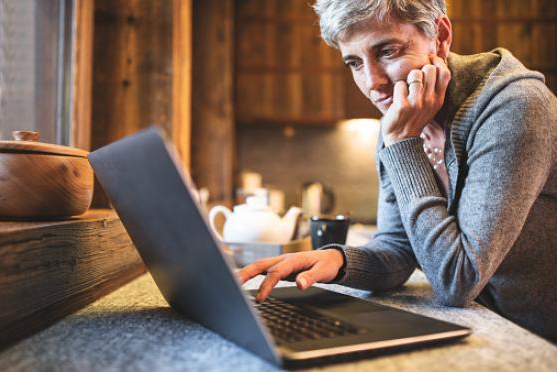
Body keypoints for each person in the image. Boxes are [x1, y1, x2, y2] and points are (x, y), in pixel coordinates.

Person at [238, 0, 557, 342]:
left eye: (387, 51)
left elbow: (457, 280)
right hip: (478, 328)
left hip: (533, 340)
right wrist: (336, 261)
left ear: (440, 35)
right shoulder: (400, 116)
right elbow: (397, 247)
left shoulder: (513, 107)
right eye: (354, 62)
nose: (372, 82)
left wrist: (402, 144)